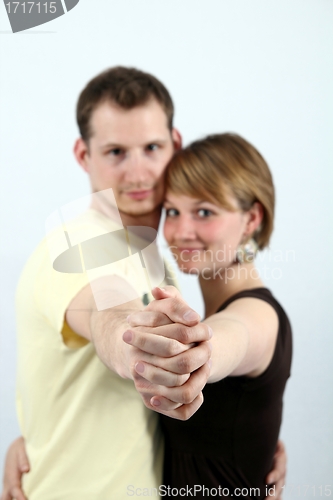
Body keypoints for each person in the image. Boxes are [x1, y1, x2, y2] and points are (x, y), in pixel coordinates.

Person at [1, 69, 286, 500]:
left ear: (175, 143)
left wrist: (251, 440)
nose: (138, 172)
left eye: (151, 148)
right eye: (116, 152)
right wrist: (137, 345)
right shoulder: (75, 240)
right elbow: (105, 316)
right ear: (83, 155)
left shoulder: (154, 256)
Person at [124, 133, 292, 499]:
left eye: (204, 212)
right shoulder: (210, 307)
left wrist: (194, 354)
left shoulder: (258, 314)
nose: (181, 232)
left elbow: (230, 338)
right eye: (172, 211)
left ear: (251, 219)